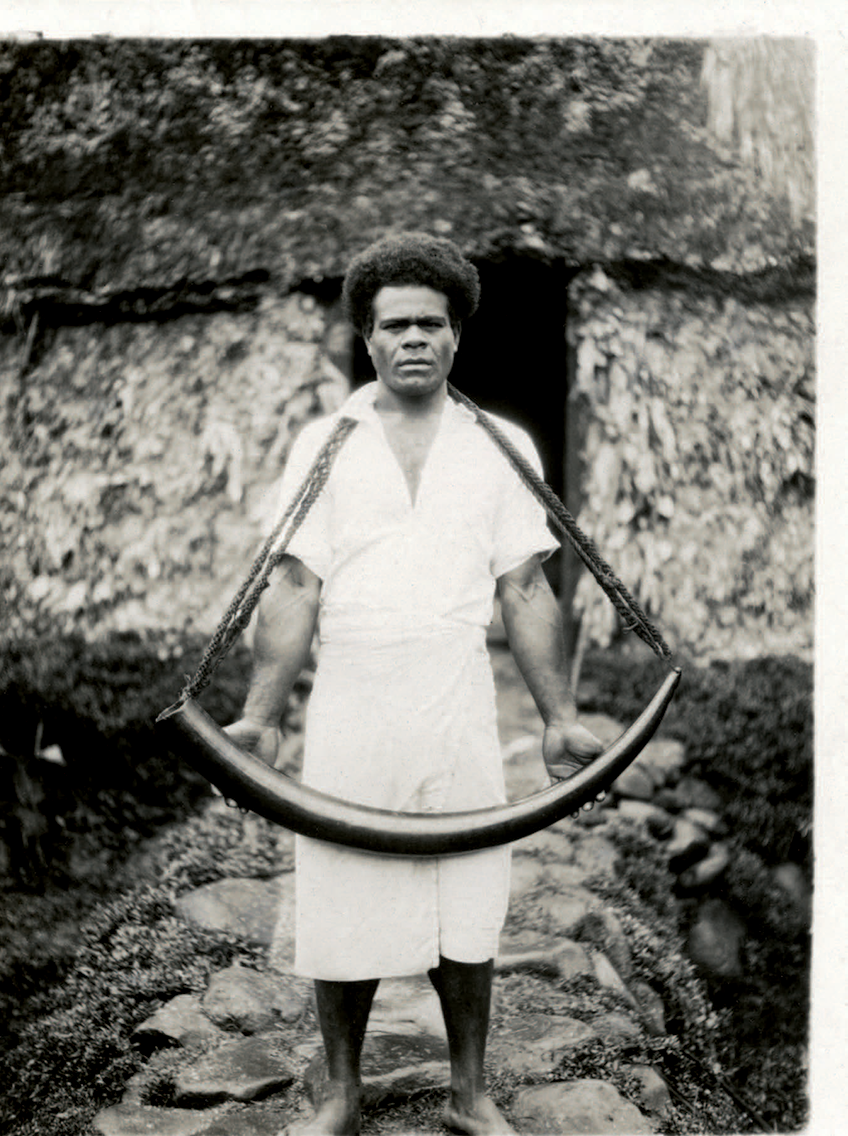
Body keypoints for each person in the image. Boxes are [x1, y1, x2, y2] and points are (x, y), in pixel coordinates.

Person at [224, 233, 603, 1135]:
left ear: (457, 335)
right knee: (343, 880)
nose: (414, 341)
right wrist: (261, 718)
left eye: (432, 324)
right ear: (367, 335)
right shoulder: (327, 443)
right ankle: (342, 1093)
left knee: (468, 886)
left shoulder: (501, 445)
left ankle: (471, 1094)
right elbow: (295, 588)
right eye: (394, 325)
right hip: (354, 693)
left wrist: (558, 721)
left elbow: (524, 587)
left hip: (456, 690)